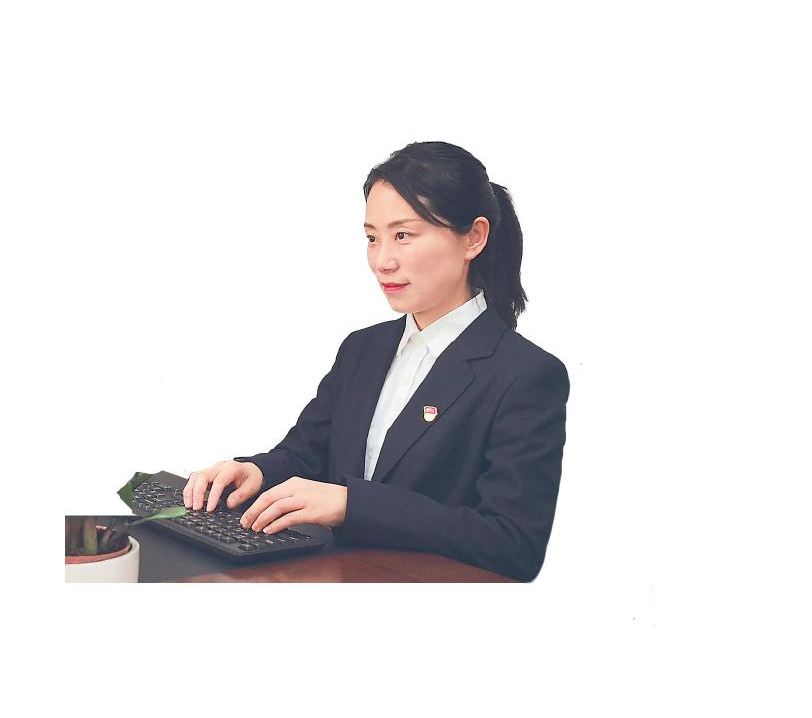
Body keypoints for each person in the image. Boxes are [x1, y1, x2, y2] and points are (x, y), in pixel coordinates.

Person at [182, 140, 570, 581]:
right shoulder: (362, 349)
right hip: (329, 580)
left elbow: (512, 544)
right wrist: (254, 471)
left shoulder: (525, 375)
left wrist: (352, 505)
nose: (382, 261)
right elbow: (306, 454)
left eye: (403, 235)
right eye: (372, 238)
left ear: (473, 238)